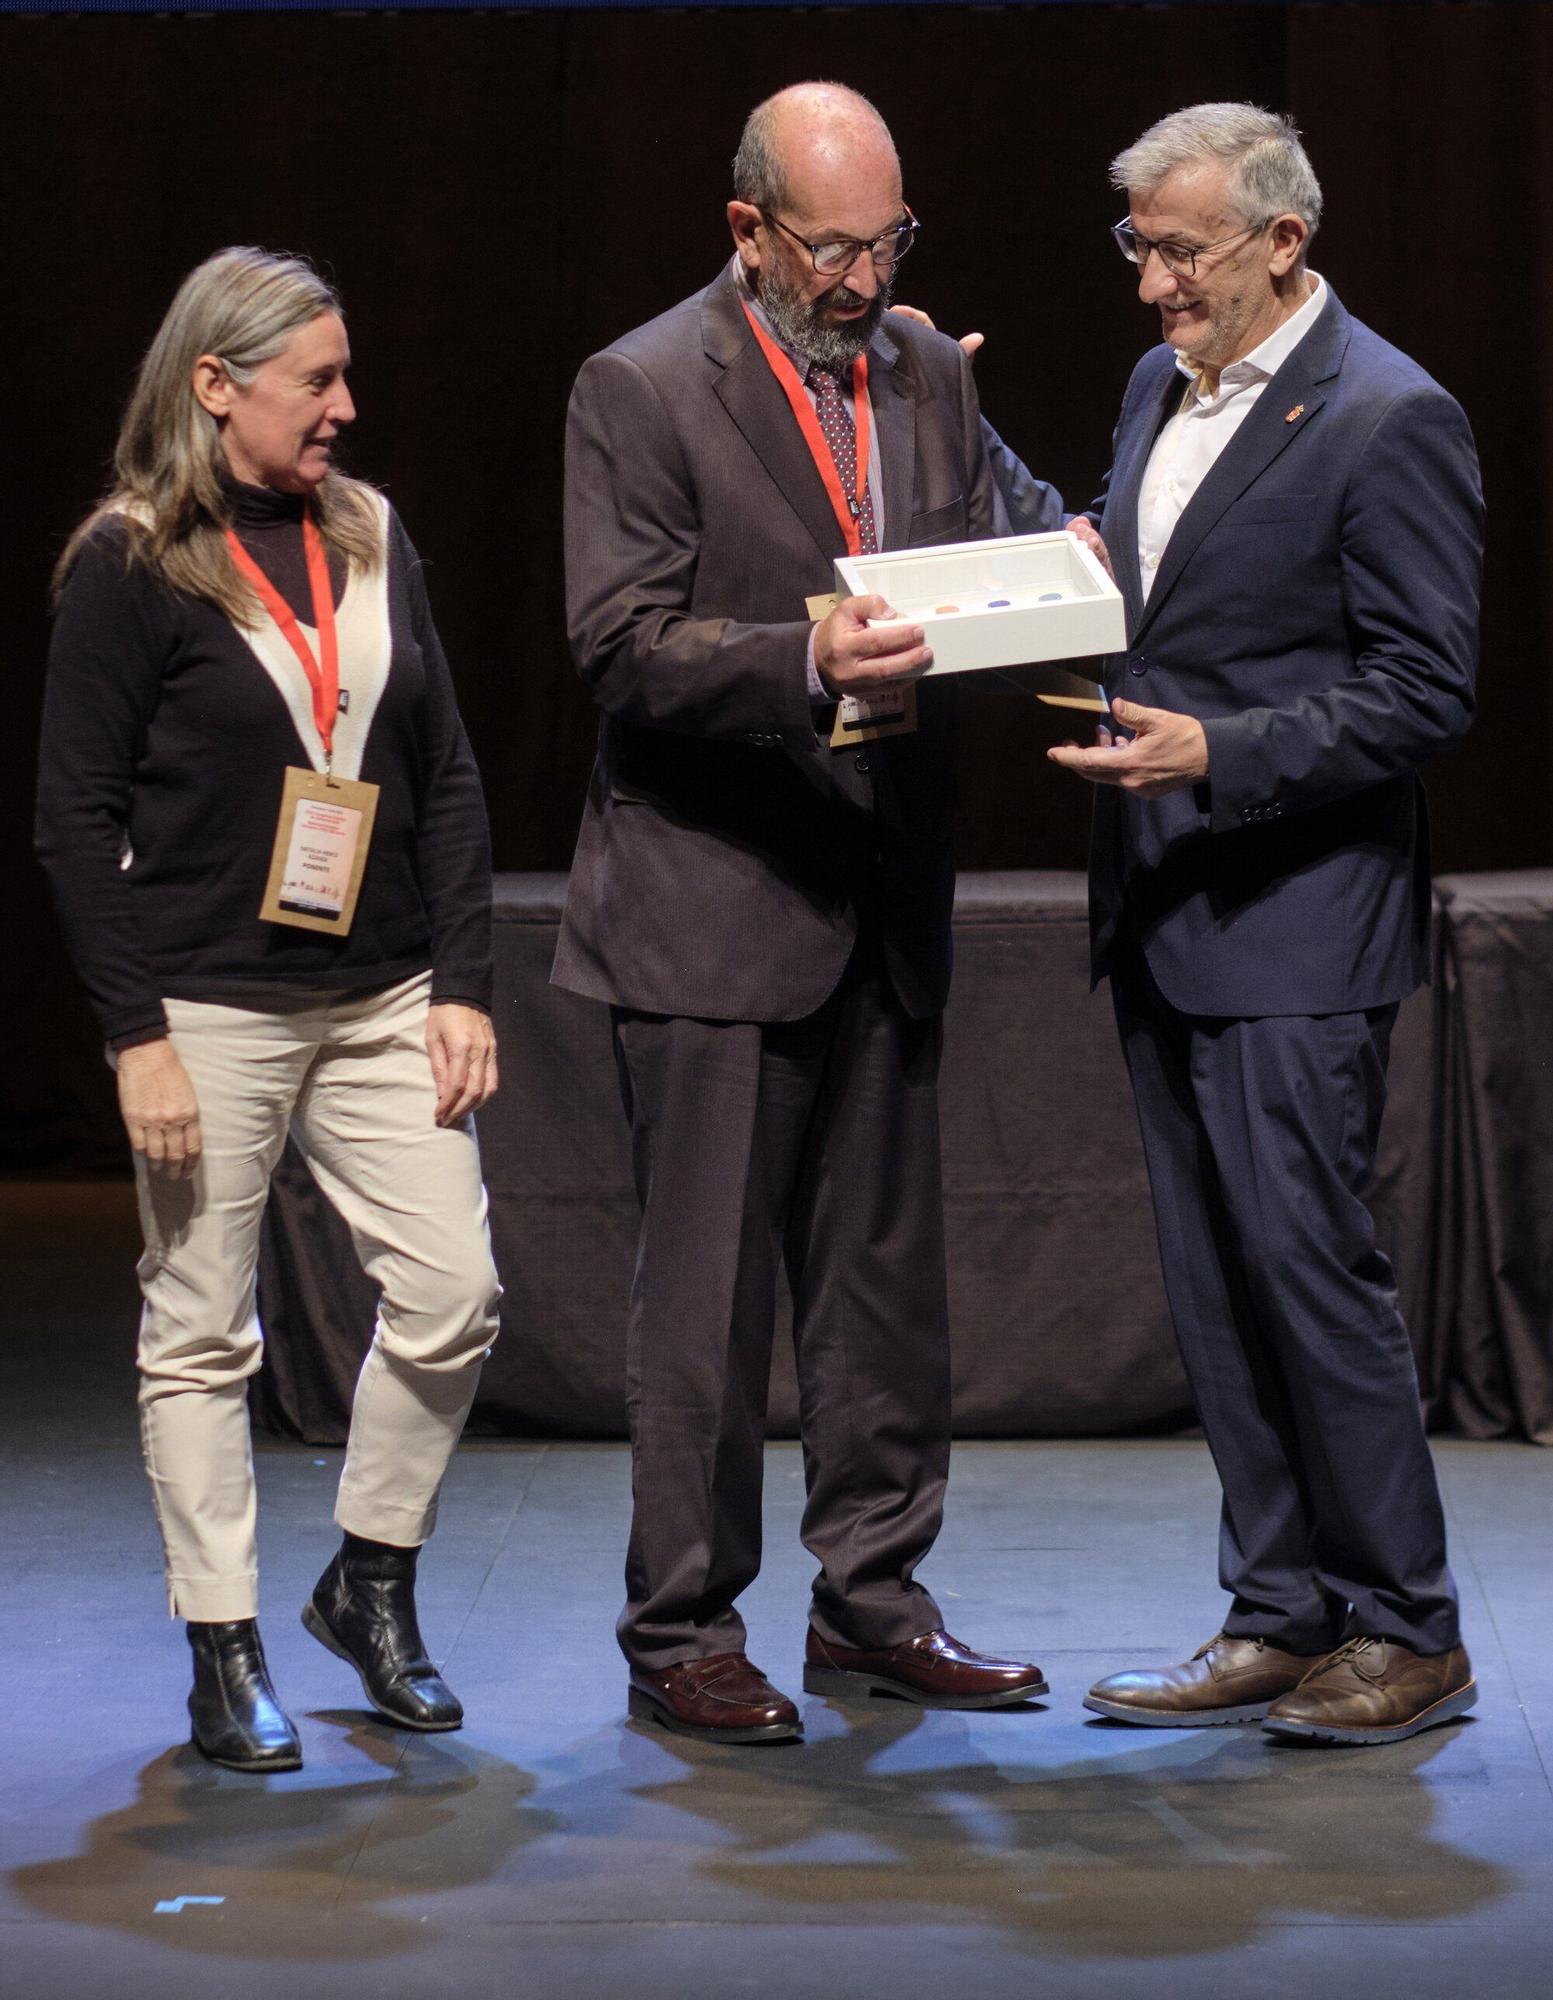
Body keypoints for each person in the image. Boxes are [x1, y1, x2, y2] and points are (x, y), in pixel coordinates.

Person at [554, 82, 1050, 1743]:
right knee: (704, 1306)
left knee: (883, 1289)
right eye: (829, 246)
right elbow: (619, 643)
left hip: (882, 890)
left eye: (885, 240)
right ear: (745, 227)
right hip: (714, 904)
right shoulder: (638, 383)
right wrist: (802, 657)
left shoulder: (923, 365)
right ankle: (681, 1630)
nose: (859, 277)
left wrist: (1082, 561)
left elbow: (1010, 532)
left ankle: (872, 1602)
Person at [1037, 104, 1482, 1743]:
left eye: (1177, 249)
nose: (1149, 284)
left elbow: (1425, 688)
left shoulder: (1387, 415)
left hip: (1293, 917)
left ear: (1281, 242)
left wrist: (1219, 753)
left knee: (1309, 1274)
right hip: (1161, 904)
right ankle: (1282, 1609)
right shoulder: (1162, 387)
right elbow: (1152, 588)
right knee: (1217, 1286)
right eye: (1135, 247)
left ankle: (1406, 1626)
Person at [36, 247, 502, 1772]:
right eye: (317, 383)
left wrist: (461, 983)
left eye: (347, 377)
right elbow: (72, 816)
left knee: (451, 1298)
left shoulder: (368, 535)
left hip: (379, 995)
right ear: (215, 386)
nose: (345, 411)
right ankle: (222, 1645)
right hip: (208, 1009)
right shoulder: (128, 561)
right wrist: (136, 1034)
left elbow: (439, 772)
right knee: (200, 1335)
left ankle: (367, 1582)